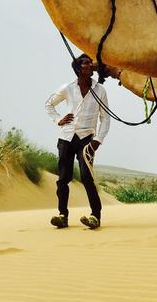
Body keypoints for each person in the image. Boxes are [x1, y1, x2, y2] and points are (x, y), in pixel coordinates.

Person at [44, 53, 110, 230]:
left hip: (87, 140)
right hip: (66, 137)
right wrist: (58, 120)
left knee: (87, 178)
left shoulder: (100, 90)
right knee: (63, 178)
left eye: (90, 63)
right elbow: (49, 104)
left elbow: (105, 119)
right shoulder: (68, 88)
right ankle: (62, 216)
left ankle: (95, 217)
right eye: (86, 64)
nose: (90, 66)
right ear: (78, 69)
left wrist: (98, 140)